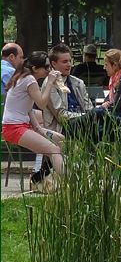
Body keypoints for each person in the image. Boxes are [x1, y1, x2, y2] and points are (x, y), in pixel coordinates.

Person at [32, 44, 93, 188]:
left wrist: (89, 116)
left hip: (82, 123)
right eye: (64, 62)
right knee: (100, 117)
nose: (69, 64)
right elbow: (61, 116)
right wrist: (87, 117)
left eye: (70, 61)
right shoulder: (50, 84)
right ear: (53, 64)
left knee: (101, 119)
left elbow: (89, 107)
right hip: (63, 128)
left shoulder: (78, 83)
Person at [1, 51, 64, 185]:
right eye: (46, 67)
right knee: (54, 150)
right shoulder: (29, 80)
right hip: (14, 128)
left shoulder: (23, 77)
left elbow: (28, 108)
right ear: (35, 69)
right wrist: (50, 83)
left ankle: (42, 176)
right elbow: (41, 104)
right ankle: (69, 184)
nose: (49, 70)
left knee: (60, 140)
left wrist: (39, 129)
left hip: (19, 125)